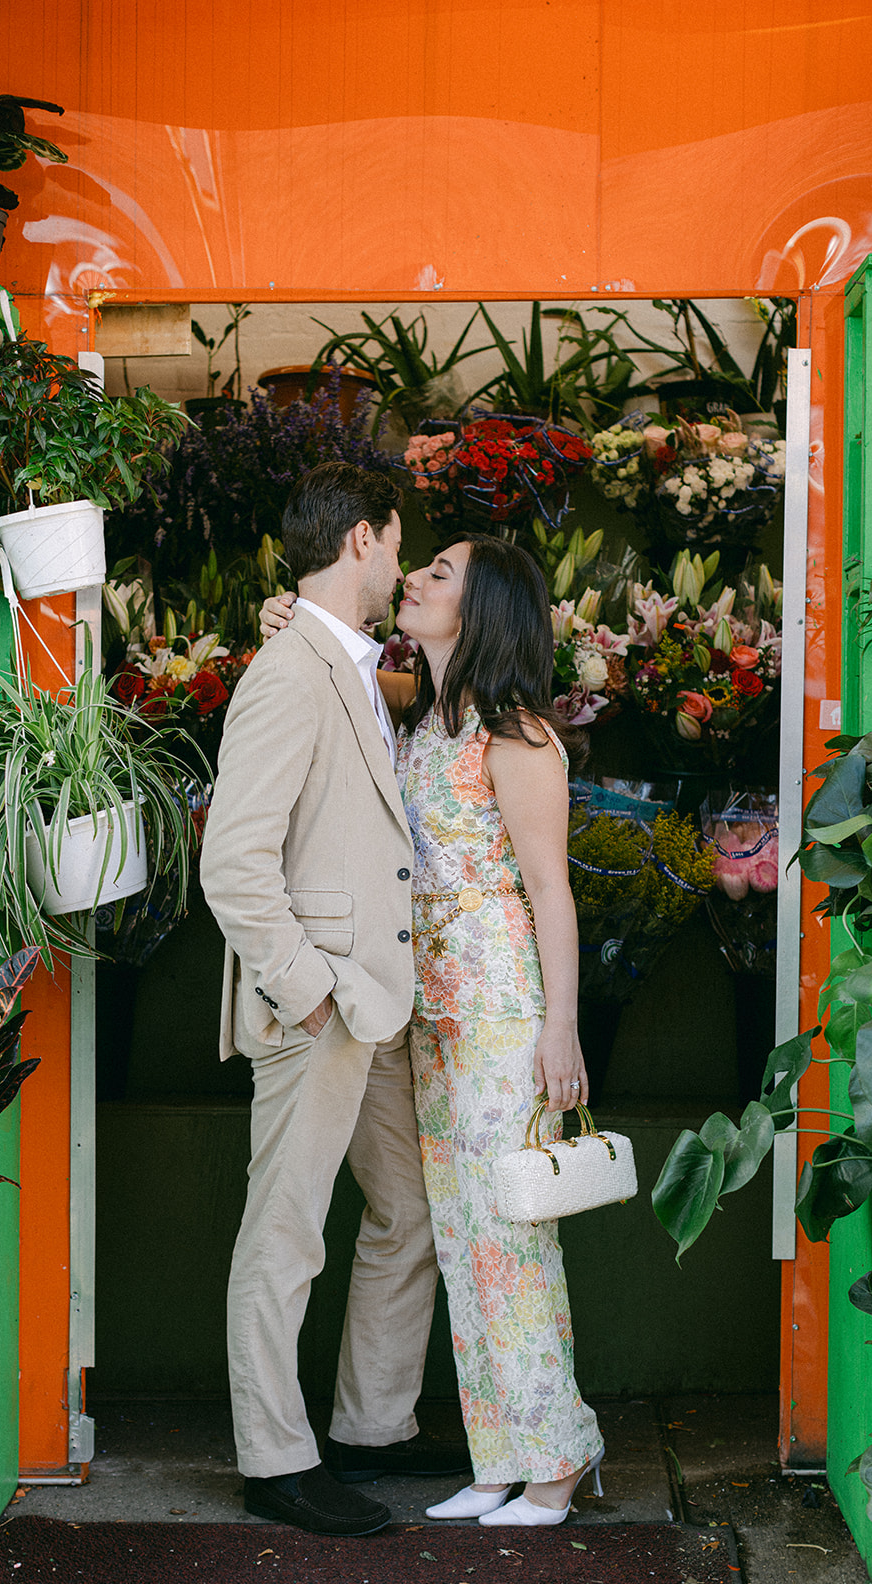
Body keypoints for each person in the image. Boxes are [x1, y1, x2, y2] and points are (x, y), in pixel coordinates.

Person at [260, 532, 605, 1528]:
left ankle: (556, 1459)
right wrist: (284, 623)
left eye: (438, 572)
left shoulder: (517, 736)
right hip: (432, 1020)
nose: (411, 578)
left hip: (500, 1011)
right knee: (461, 1239)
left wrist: (561, 1031)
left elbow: (551, 891)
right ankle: (499, 1457)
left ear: (484, 606)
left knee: (510, 1238)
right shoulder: (423, 724)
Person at [199, 462, 469, 1541]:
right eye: (398, 541)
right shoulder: (287, 670)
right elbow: (234, 864)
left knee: (405, 1212)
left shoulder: (347, 660)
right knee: (287, 1230)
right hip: (319, 1004)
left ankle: (371, 1424)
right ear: (360, 537)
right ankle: (274, 1460)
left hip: (371, 1005)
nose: (402, 564)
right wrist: (309, 992)